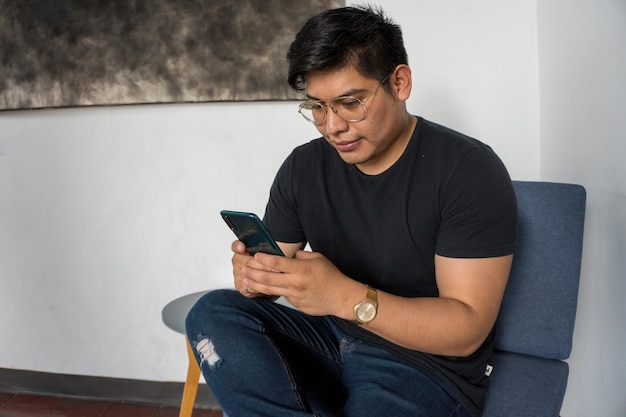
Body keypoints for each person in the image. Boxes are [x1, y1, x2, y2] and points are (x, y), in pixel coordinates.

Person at [186, 5, 517, 417]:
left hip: (425, 367)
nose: (332, 126)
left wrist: (343, 295)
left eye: (349, 102)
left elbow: (467, 329)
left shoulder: (468, 169)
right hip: (330, 338)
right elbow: (275, 273)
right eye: (317, 107)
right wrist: (257, 278)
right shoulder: (304, 166)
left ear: (400, 82)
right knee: (213, 313)